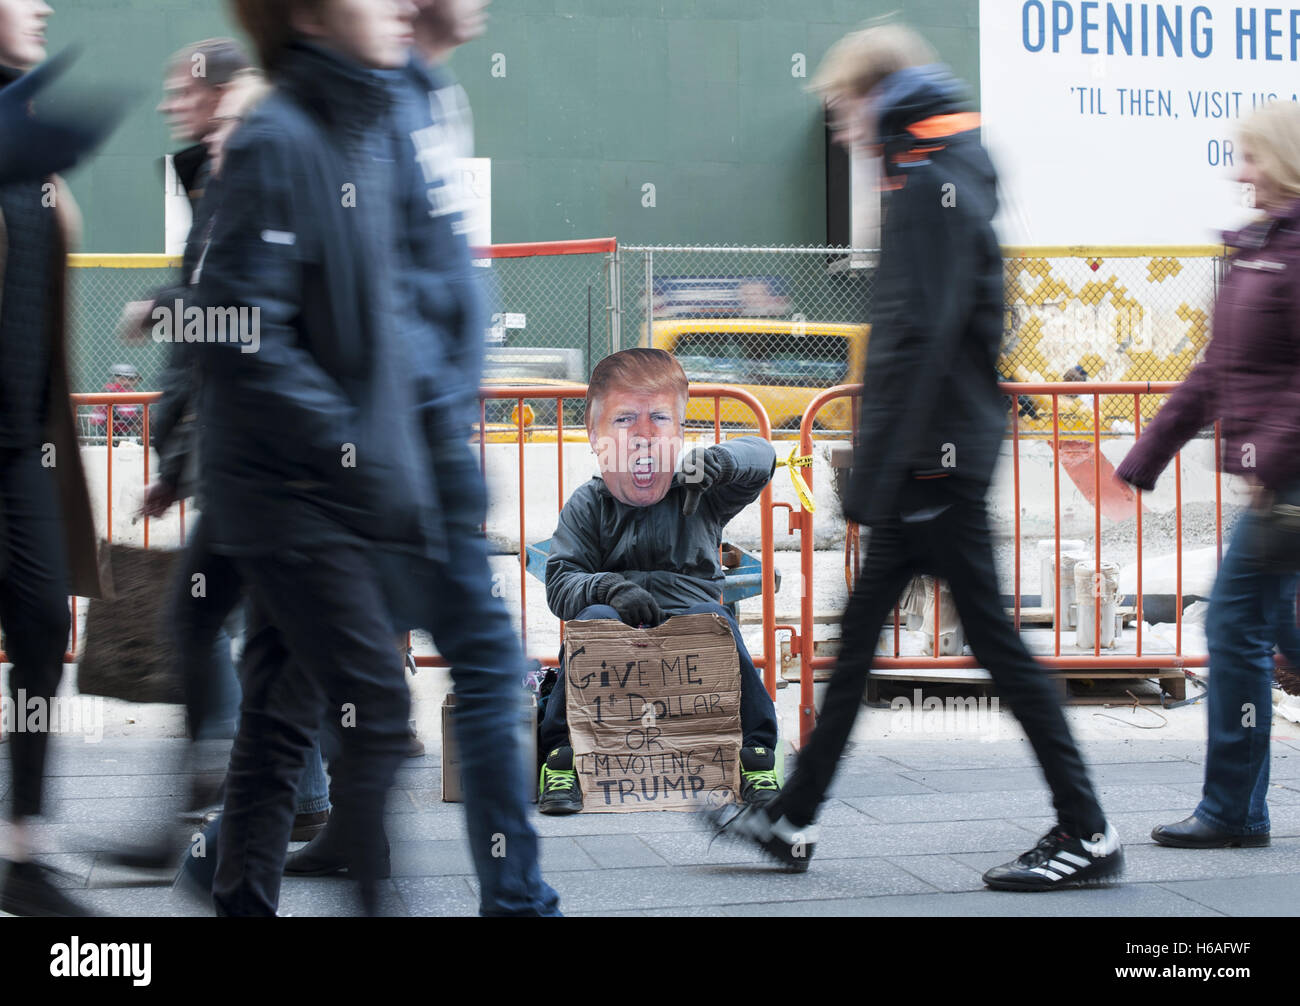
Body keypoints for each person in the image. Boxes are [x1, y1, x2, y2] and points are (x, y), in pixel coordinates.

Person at [706, 24, 1123, 891]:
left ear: (872, 95)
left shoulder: (929, 180)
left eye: (840, 107)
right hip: (935, 459)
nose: (839, 128)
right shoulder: (938, 171)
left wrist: (883, 470)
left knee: (996, 652)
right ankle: (791, 817)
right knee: (865, 645)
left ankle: (1087, 830)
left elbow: (920, 338)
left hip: (933, 467)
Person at [285, 0, 562, 917]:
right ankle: (511, 899)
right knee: (459, 673)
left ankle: (251, 854)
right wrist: (420, 428)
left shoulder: (426, 93)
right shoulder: (379, 101)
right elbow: (385, 290)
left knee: (326, 676)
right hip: (402, 453)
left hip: (419, 450)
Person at [197, 0, 440, 917]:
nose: (401, 6)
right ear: (309, 13)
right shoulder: (279, 139)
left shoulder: (360, 132)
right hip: (295, 495)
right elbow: (239, 330)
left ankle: (240, 897)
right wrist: (356, 452)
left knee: (276, 720)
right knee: (377, 715)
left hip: (328, 492)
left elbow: (371, 325)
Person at [1116, 101, 1300, 850]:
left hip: (1287, 486)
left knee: (1234, 625)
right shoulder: (1256, 249)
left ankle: (1232, 810)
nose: (1238, 171)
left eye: (1251, 156)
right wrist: (1145, 455)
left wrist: (1270, 461)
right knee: (1271, 630)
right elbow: (1215, 371)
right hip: (1276, 484)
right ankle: (1236, 807)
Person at [536, 347, 782, 814]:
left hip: (692, 619)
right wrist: (607, 588)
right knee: (592, 621)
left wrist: (719, 462)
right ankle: (561, 757)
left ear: (680, 432)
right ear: (595, 436)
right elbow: (561, 581)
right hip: (617, 625)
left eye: (660, 419)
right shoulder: (589, 504)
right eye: (625, 420)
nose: (645, 435)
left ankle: (755, 755)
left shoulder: (702, 490)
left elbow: (763, 455)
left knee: (716, 622)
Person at [0, 0, 112, 917]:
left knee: (42, 623)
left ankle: (22, 848)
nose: (40, 4)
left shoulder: (29, 142)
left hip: (23, 446)